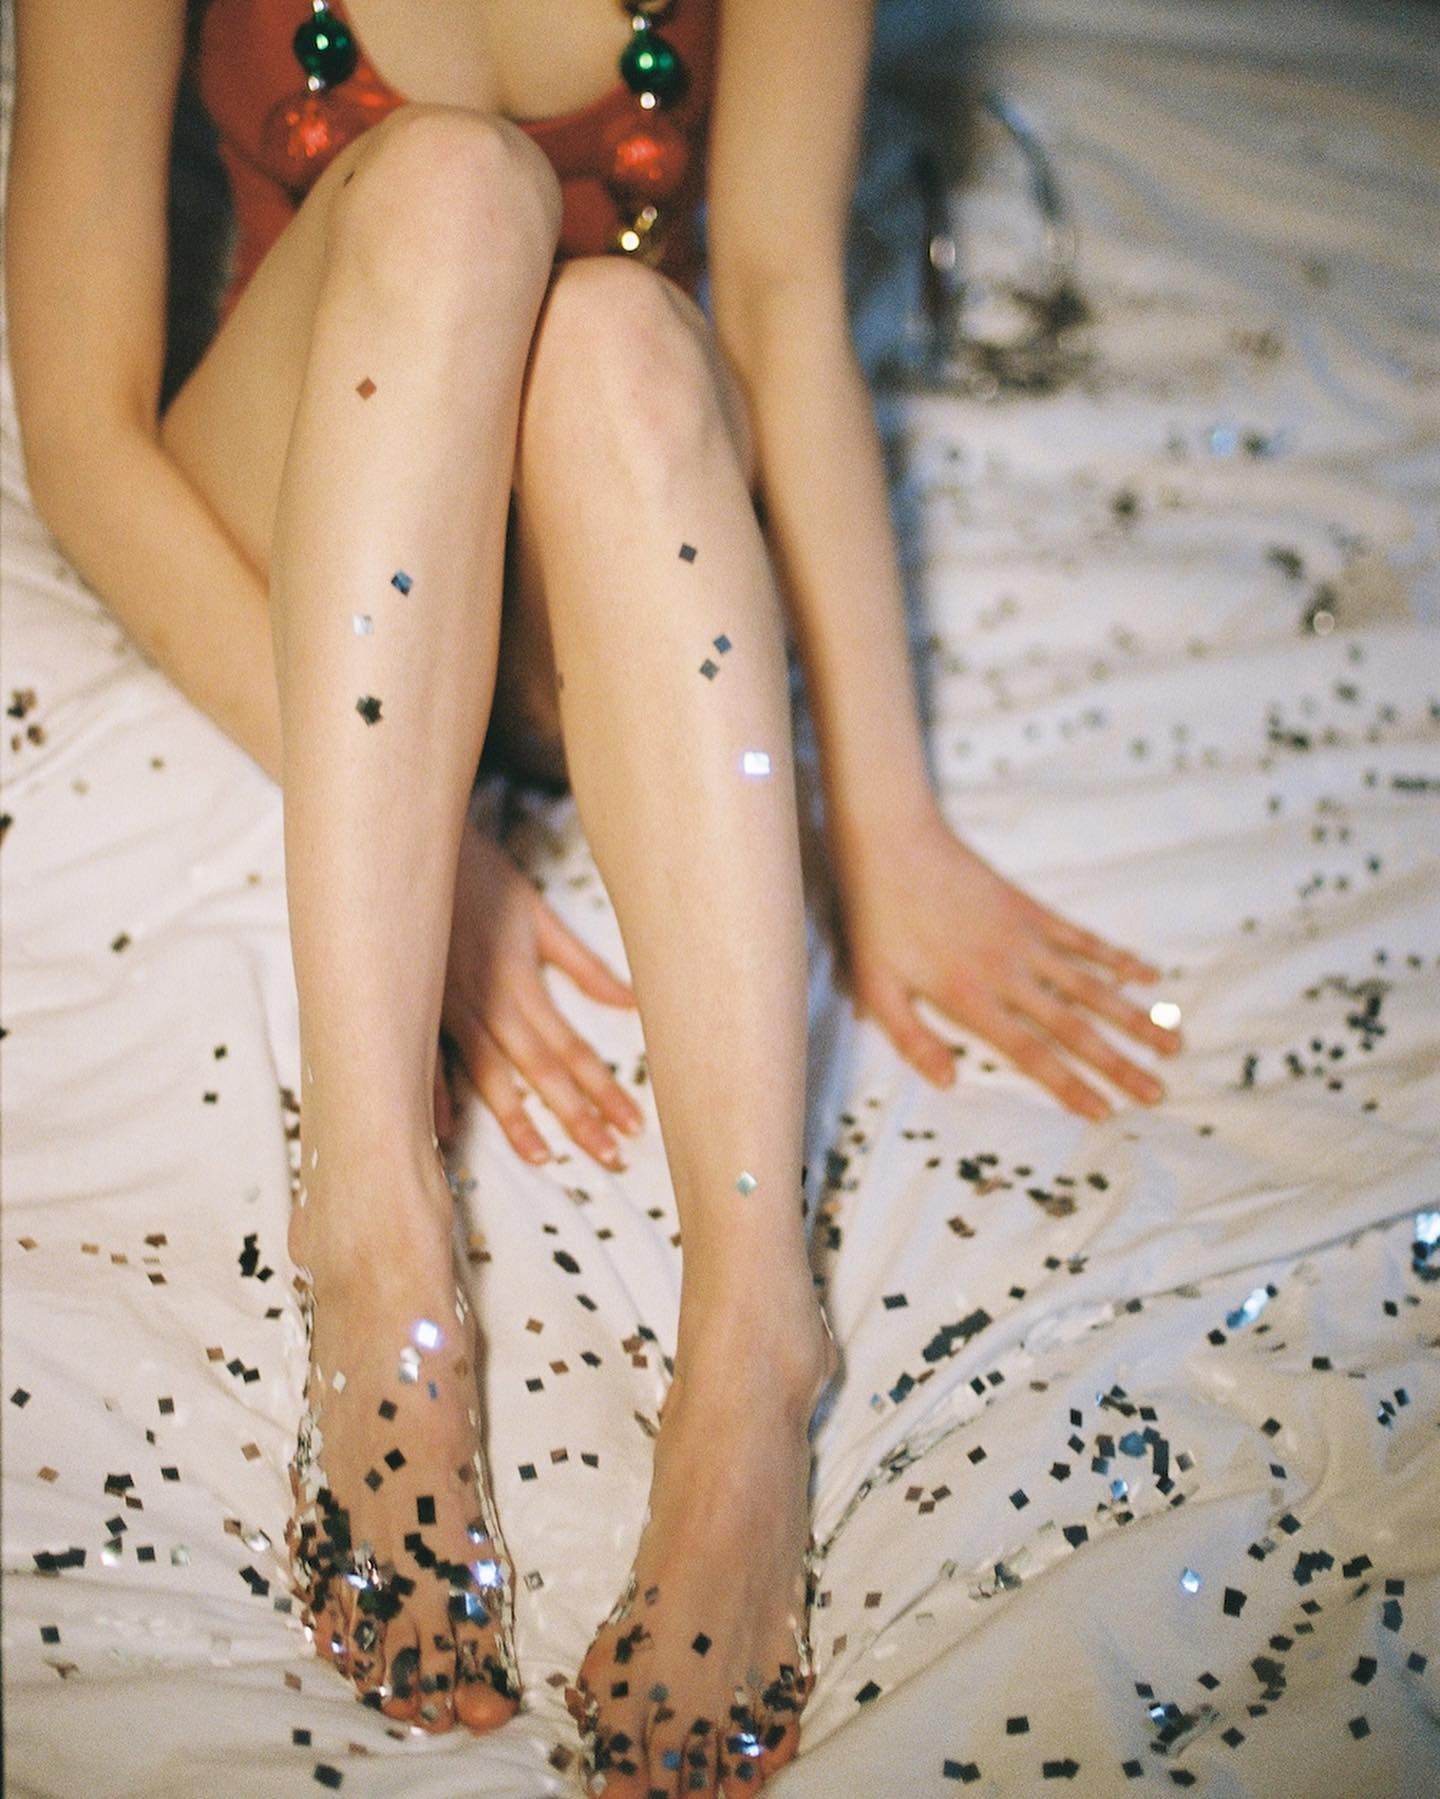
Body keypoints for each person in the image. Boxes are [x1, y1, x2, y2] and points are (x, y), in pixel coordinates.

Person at [6, 0, 1182, 1788]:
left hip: (604, 551)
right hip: (298, 501)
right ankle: (371, 1220)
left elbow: (778, 304)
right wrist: (433, 856)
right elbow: (83, 442)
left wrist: (886, 824)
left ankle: (752, 1337)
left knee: (626, 325)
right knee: (448, 192)